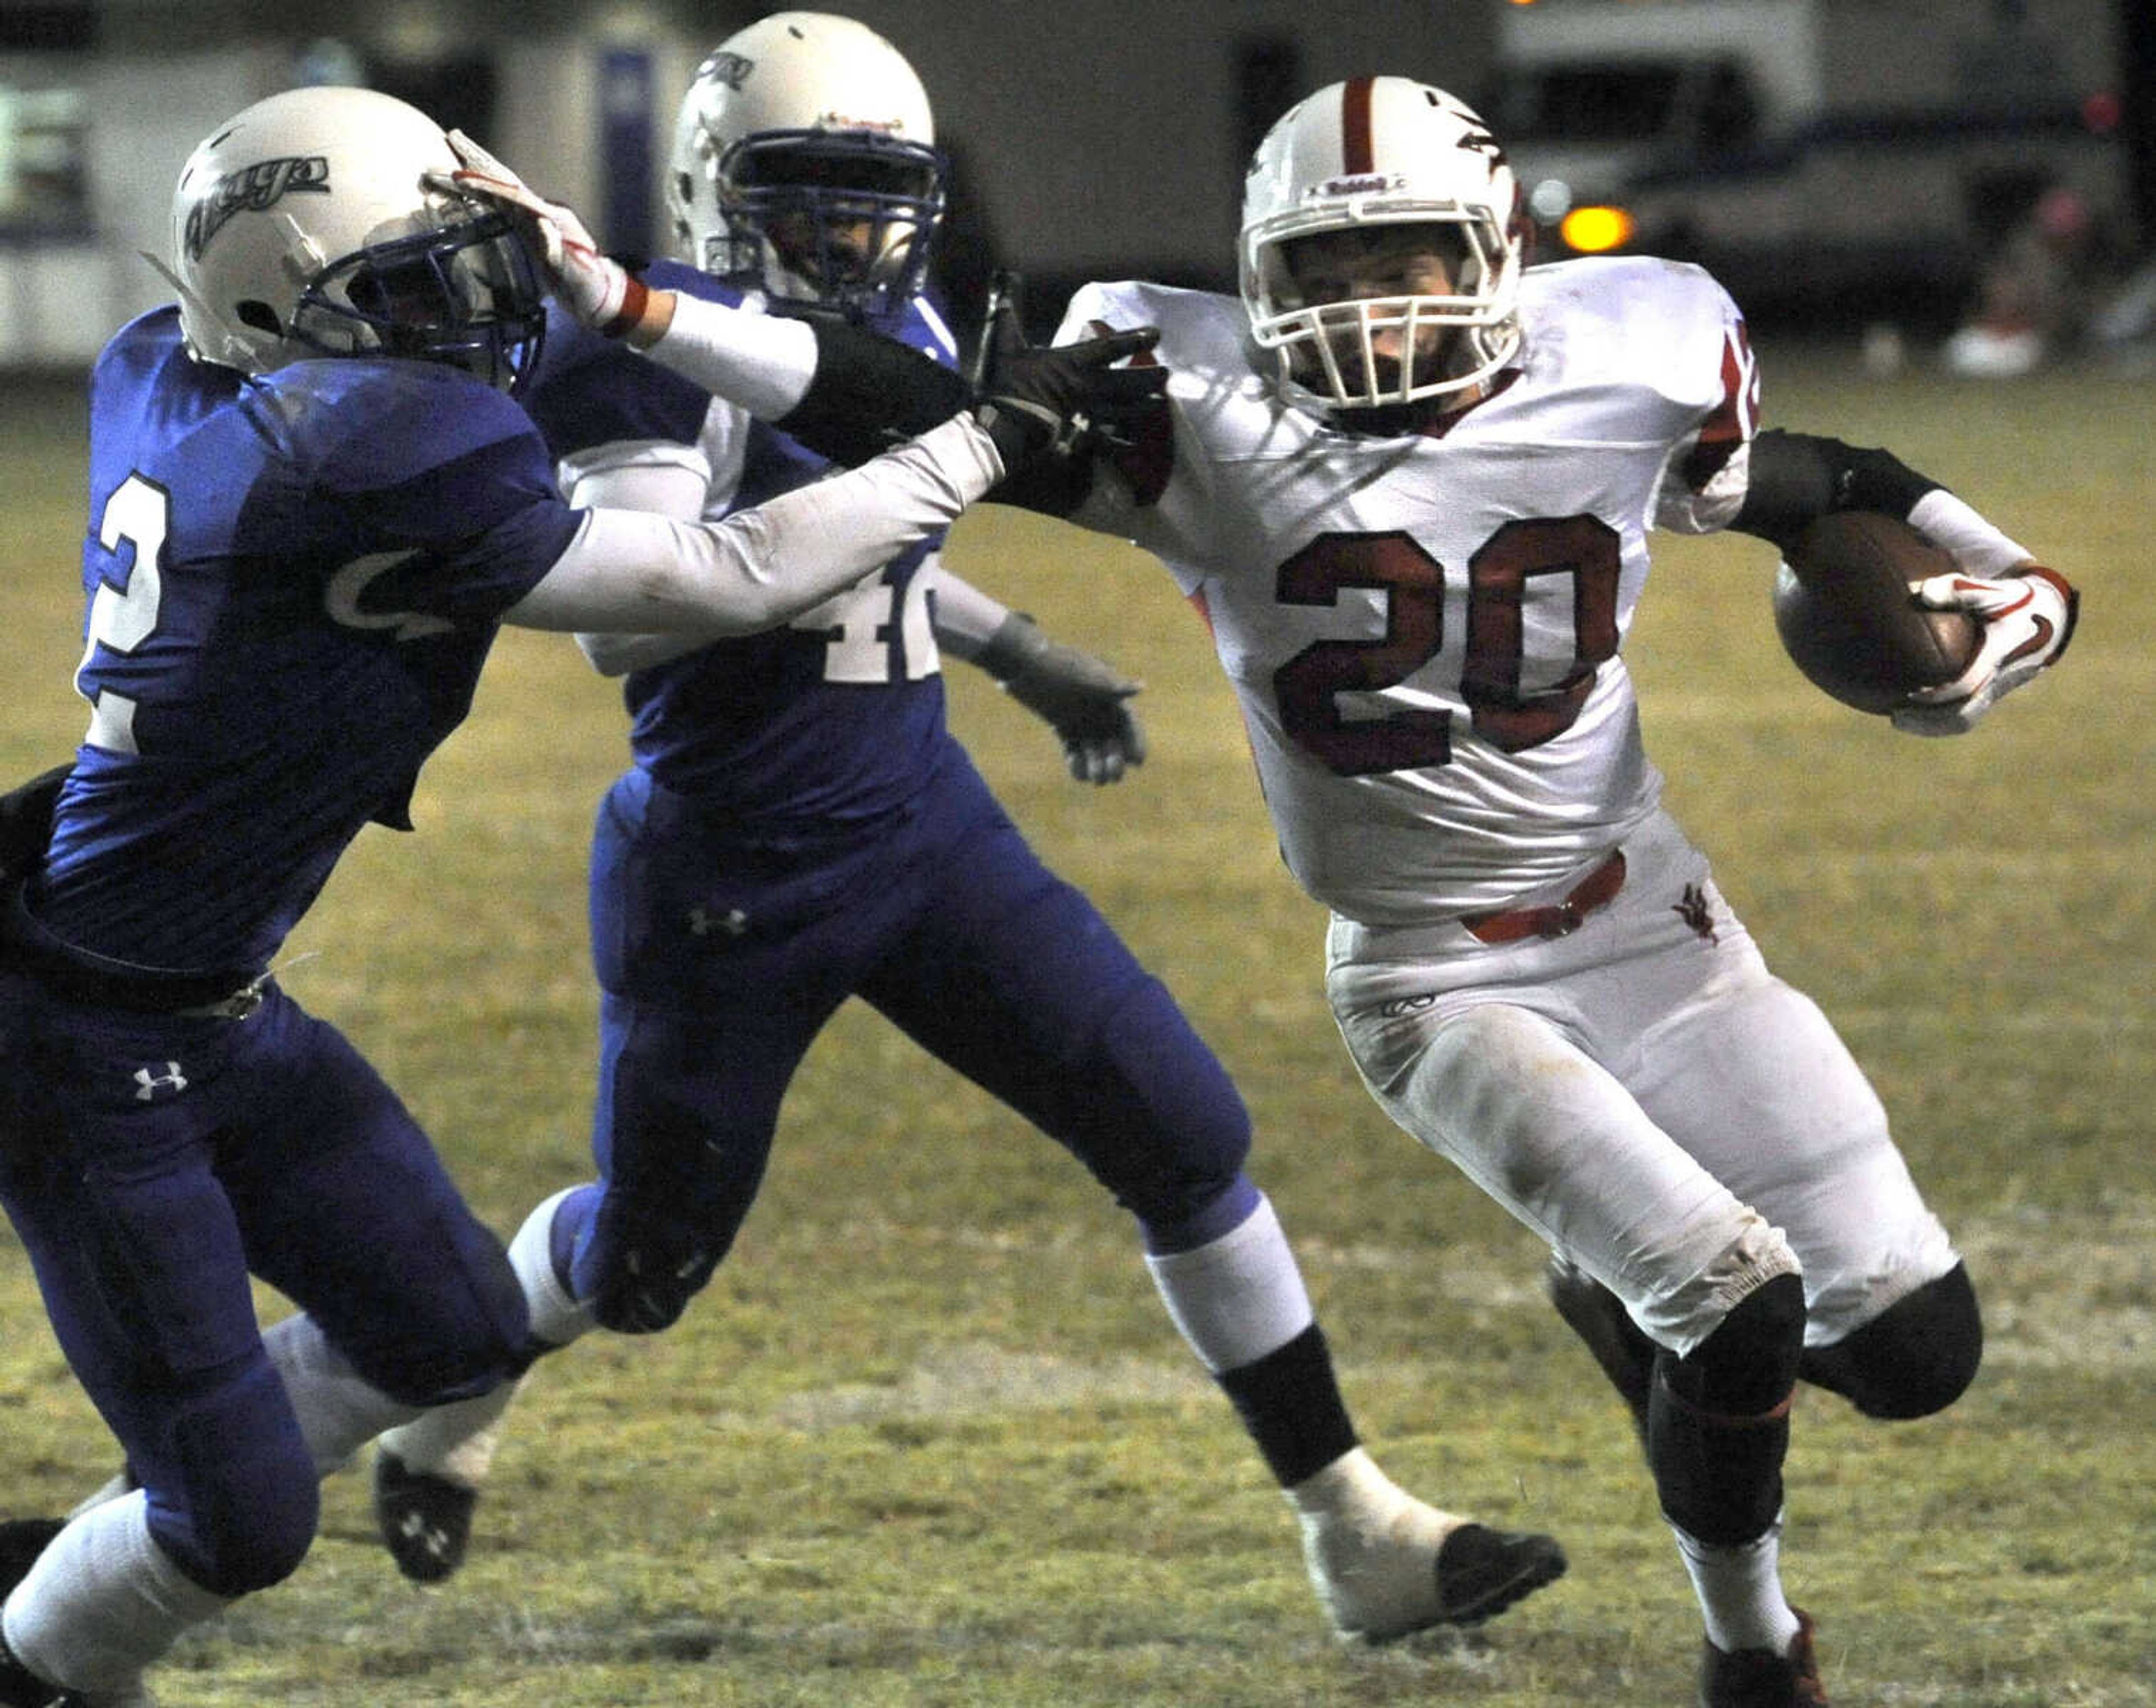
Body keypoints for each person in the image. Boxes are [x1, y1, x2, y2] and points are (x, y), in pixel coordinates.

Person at [360, 13, 1566, 1646]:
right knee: (645, 1262)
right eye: (806, 194)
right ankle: (452, 1400)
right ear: (723, 190)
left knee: (1181, 1132)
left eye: (877, 194)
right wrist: (938, 491)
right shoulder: (638, 343)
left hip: (925, 826)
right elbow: (635, 619)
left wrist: (1011, 647)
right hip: (734, 862)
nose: (848, 233)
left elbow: (886, 544)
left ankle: (1355, 1525)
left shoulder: (898, 314)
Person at [0, 81, 1160, 1708]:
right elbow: (724, 578)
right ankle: (48, 1643)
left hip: (210, 993)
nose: (466, 318)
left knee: (458, 1331)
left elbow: (643, 389)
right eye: (408, 295)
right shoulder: (363, 439)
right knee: (244, 1523)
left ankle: (126, 1534)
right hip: (82, 1044)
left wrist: (615, 294)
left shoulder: (177, 368)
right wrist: (983, 436)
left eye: (455, 268)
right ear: (285, 311)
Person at [1036, 76, 2077, 1705]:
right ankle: (1753, 1645)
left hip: (1649, 918)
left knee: (1915, 1354)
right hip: (1433, 975)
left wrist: (2023, 582)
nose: (1375, 315)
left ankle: (1606, 1286)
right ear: (1255, 284)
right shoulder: (1188, 412)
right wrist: (948, 391)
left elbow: (1818, 477)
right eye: (1326, 274)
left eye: (1413, 263)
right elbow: (902, 427)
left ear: (1503, 257)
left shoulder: (1631, 360)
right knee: (1737, 1306)